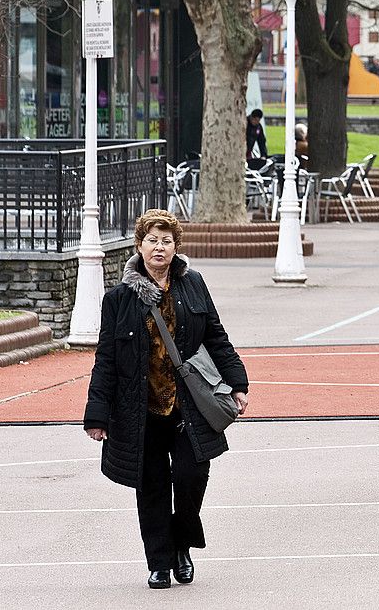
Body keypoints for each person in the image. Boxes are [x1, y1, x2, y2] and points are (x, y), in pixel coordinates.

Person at [84, 209, 249, 589]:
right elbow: (106, 359)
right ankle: (158, 561)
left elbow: (216, 337)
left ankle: (181, 546)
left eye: (167, 241)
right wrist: (97, 415)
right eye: (152, 240)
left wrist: (237, 383)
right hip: (139, 410)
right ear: (139, 245)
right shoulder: (118, 299)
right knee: (152, 485)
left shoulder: (193, 285)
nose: (159, 247)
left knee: (193, 475)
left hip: (188, 405)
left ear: (176, 247)